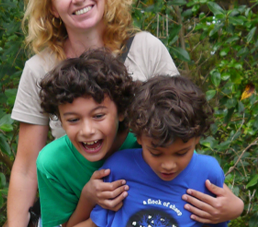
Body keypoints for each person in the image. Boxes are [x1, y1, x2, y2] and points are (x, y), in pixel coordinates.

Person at [7, 0, 243, 226]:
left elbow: (180, 129)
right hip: (77, 212)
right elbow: (25, 168)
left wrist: (231, 203)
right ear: (52, 7)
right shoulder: (38, 70)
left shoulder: (146, 49)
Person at [88, 75, 228, 227]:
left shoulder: (208, 174)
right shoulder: (118, 168)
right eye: (156, 153)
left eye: (181, 153)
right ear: (139, 137)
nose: (168, 165)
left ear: (197, 138)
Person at [37, 49, 138, 227]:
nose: (87, 130)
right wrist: (88, 198)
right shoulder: (53, 163)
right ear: (60, 120)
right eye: (73, 120)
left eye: (98, 116)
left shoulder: (146, 143)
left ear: (121, 111)